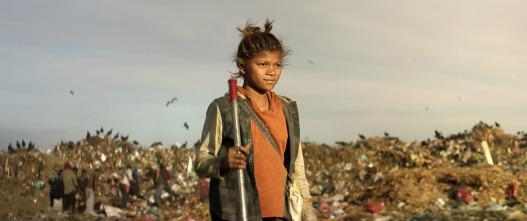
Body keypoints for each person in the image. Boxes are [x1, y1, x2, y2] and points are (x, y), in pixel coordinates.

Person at [194, 19, 317, 221]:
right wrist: (223, 163)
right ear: (242, 66)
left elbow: (296, 167)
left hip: (281, 213)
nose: (272, 71)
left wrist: (308, 209)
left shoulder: (287, 109)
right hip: (239, 212)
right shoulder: (224, 108)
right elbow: (201, 161)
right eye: (263, 64)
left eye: (277, 65)